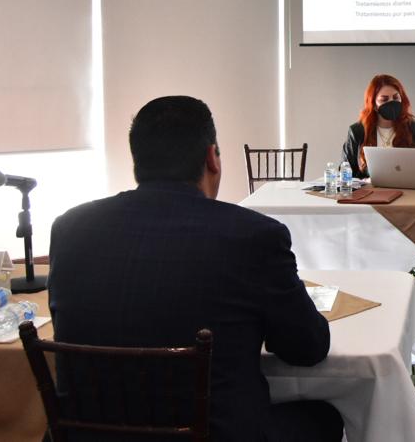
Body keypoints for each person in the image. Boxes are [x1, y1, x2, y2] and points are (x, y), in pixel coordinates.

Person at [49, 96, 342, 442]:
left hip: (91, 435)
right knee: (325, 417)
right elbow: (308, 347)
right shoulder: (253, 236)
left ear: (137, 161)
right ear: (211, 158)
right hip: (213, 434)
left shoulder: (69, 229)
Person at [341, 74, 415, 178]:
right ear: (373, 104)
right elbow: (345, 171)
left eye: (396, 98)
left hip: (407, 191)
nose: (391, 103)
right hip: (370, 192)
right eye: (384, 100)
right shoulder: (357, 131)